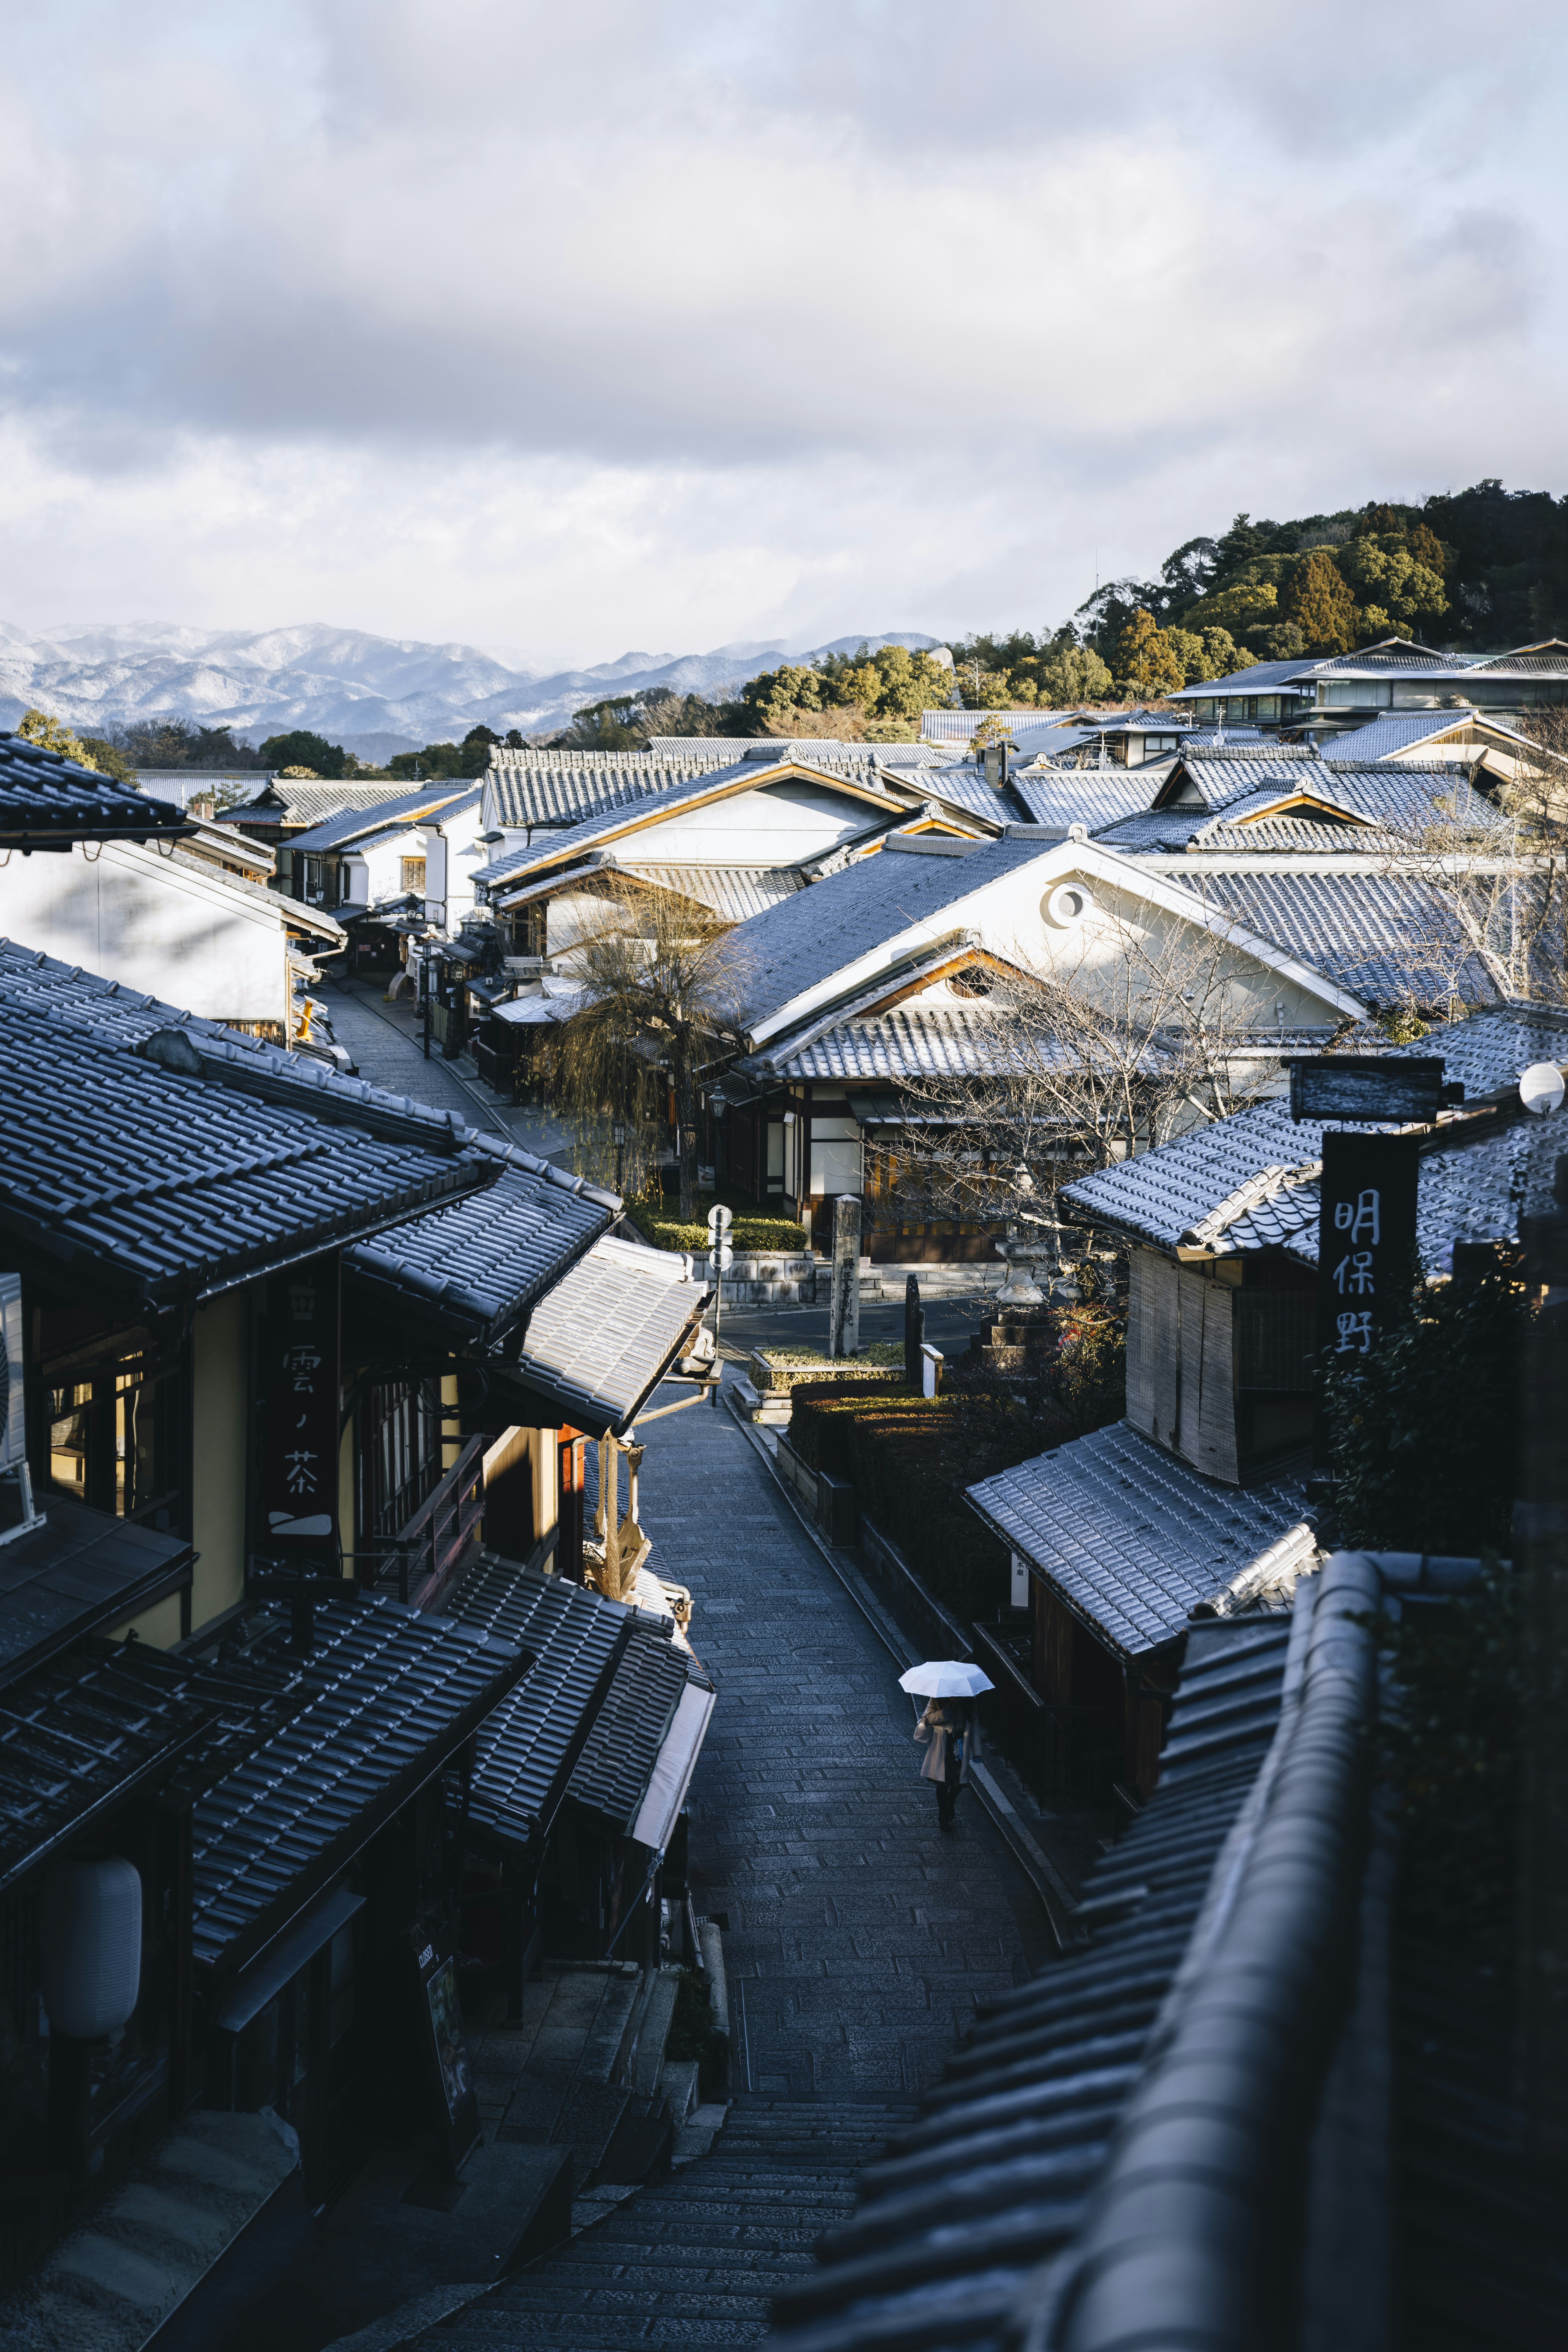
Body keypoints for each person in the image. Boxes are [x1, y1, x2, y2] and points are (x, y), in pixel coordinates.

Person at [914, 1694, 979, 1830]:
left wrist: (978, 1752)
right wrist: (944, 1713)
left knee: (959, 1783)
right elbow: (927, 1719)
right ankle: (943, 1815)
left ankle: (951, 1800)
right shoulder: (938, 1699)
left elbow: (975, 1725)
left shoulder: (969, 1701)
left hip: (960, 1747)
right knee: (942, 1784)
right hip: (943, 1747)